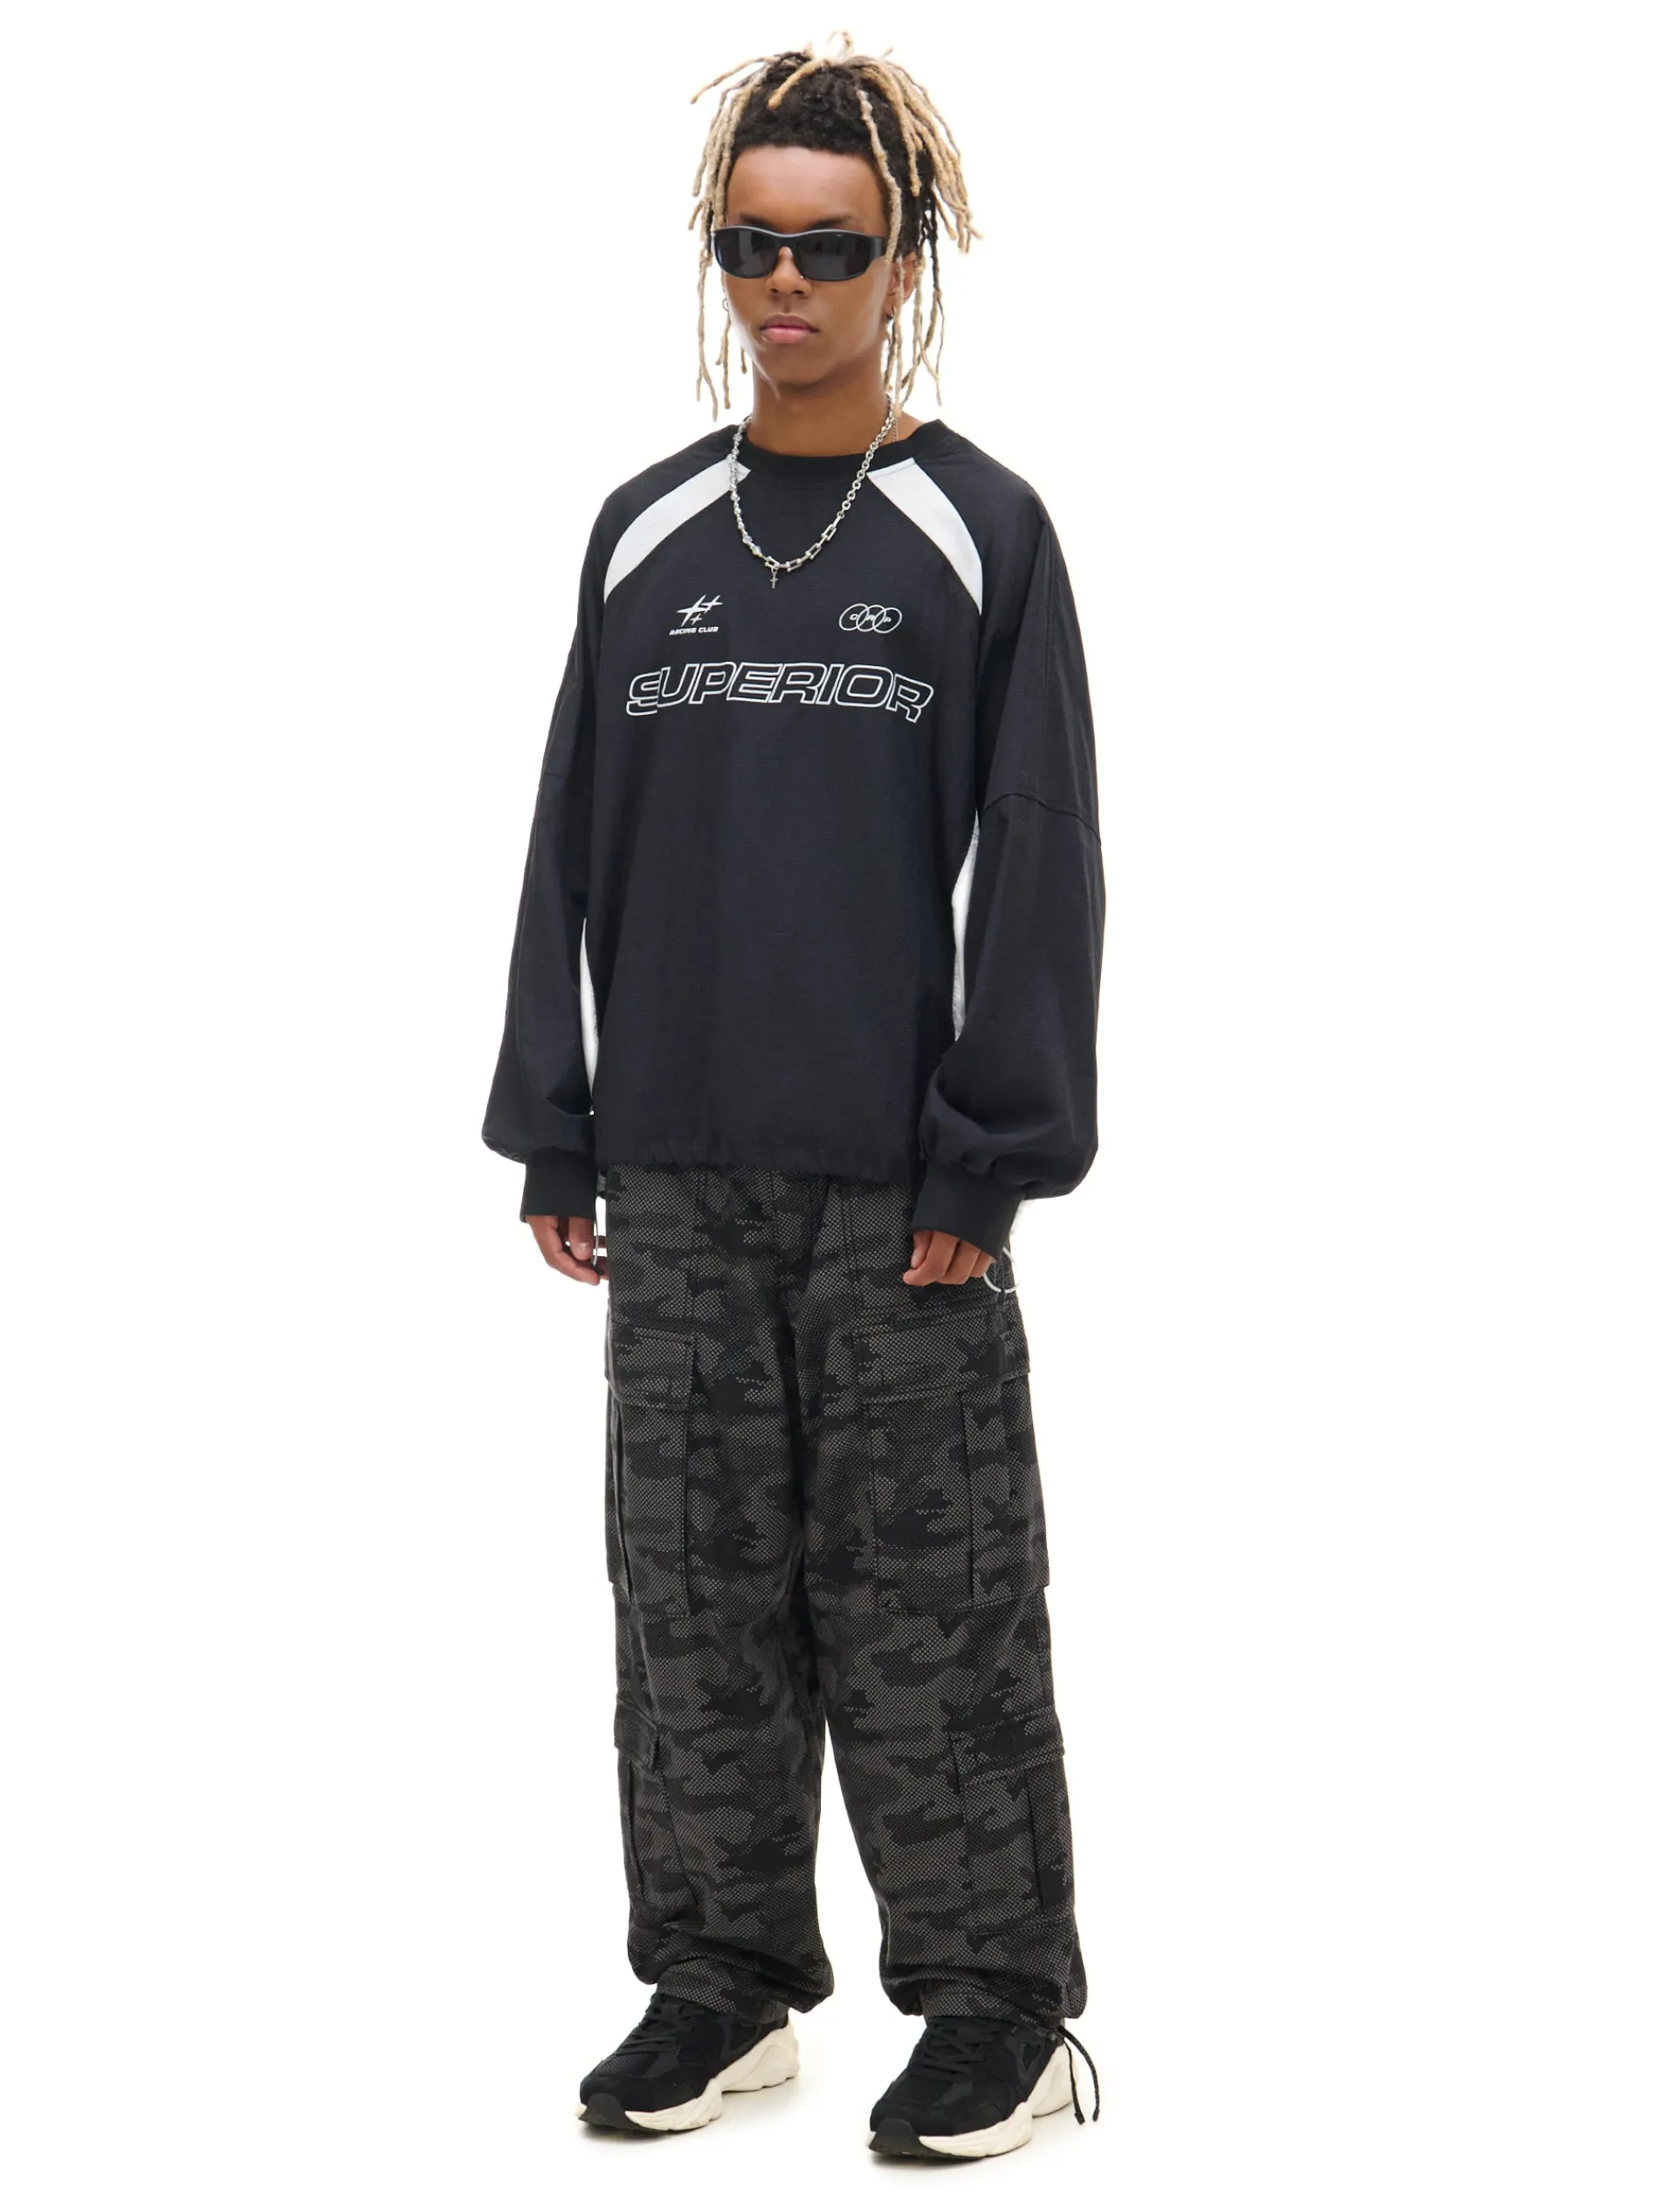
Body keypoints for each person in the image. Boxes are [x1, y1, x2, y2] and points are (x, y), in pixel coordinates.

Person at [482, 32, 1106, 2162]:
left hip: (894, 1185)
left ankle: (1001, 2011)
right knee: (686, 1596)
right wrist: (554, 1112)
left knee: (926, 1599)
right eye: (748, 242)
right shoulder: (643, 529)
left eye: (827, 247)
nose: (783, 283)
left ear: (901, 259)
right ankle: (719, 1978)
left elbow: (1038, 852)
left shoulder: (975, 531)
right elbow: (571, 837)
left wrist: (987, 1153)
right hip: (669, 1171)